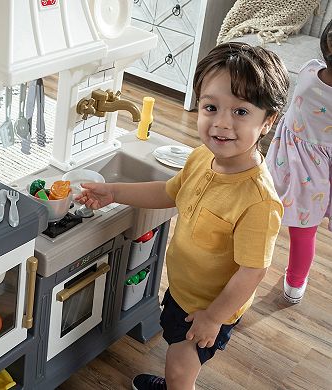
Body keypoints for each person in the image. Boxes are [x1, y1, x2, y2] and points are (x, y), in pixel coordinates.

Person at [75, 42, 289, 390]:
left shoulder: (258, 202)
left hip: (211, 308)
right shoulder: (201, 157)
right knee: (176, 350)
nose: (221, 123)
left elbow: (254, 270)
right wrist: (115, 193)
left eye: (240, 112)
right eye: (211, 107)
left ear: (268, 121)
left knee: (179, 370)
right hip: (183, 290)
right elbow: (169, 192)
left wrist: (214, 318)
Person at [266, 20, 332, 304]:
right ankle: (294, 285)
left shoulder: (308, 72)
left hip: (289, 159)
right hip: (320, 170)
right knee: (305, 233)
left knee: (263, 207)